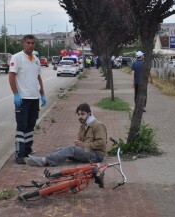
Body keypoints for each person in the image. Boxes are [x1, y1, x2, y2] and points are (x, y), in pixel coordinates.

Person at [25, 103, 107, 167]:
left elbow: (102, 143)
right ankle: (44, 159)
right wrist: (79, 144)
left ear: (89, 114)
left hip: (97, 155)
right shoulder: (83, 126)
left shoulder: (98, 125)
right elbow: (81, 144)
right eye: (78, 114)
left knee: (72, 150)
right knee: (62, 149)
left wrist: (84, 145)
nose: (80, 116)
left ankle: (44, 161)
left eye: (82, 114)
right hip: (88, 152)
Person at [9, 34, 47, 164]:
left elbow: (38, 77)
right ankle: (19, 154)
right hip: (23, 98)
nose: (30, 45)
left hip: (34, 98)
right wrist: (15, 94)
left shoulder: (36, 59)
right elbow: (12, 76)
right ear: (23, 44)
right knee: (22, 126)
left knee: (31, 125)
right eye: (28, 43)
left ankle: (27, 150)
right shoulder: (17, 57)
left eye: (32, 43)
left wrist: (42, 94)